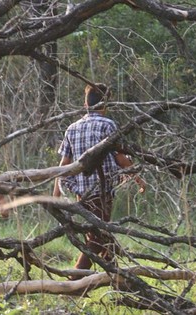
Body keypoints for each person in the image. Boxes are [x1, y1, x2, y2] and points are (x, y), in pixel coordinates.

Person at [53, 83, 145, 274]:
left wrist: (56, 192)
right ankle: (75, 282)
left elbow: (65, 163)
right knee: (96, 239)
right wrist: (138, 179)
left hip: (81, 194)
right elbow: (120, 157)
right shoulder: (108, 125)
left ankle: (118, 278)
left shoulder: (72, 128)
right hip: (101, 191)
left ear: (85, 104)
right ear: (105, 105)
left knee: (100, 232)